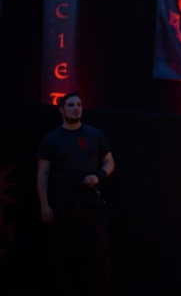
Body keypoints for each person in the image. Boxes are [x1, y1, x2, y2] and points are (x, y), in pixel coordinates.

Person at [36, 92, 116, 296]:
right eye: (71, 105)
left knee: (96, 255)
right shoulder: (51, 139)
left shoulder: (95, 135)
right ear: (62, 109)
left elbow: (110, 162)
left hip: (91, 206)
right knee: (65, 257)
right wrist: (44, 204)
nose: (76, 108)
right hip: (63, 207)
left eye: (79, 104)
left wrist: (98, 176)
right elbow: (43, 173)